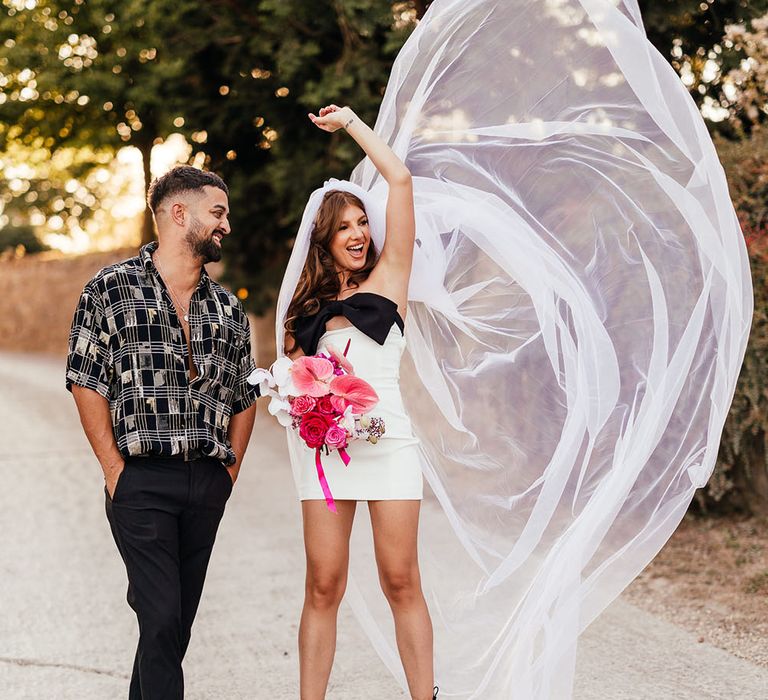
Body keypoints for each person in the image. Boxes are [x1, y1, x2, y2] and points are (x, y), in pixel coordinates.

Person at [65, 165, 259, 700]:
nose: (226, 224)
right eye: (217, 212)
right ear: (180, 213)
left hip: (206, 484)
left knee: (170, 630)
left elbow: (245, 397)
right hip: (140, 482)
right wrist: (114, 471)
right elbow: (86, 381)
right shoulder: (110, 290)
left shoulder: (228, 309)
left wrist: (230, 472)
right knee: (162, 617)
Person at [281, 105, 438, 700]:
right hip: (326, 454)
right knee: (324, 583)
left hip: (390, 444)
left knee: (401, 579)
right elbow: (291, 384)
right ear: (323, 238)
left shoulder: (392, 276)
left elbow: (399, 180)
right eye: (343, 226)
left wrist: (351, 124)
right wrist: (306, 388)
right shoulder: (303, 311)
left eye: (361, 224)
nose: (357, 234)